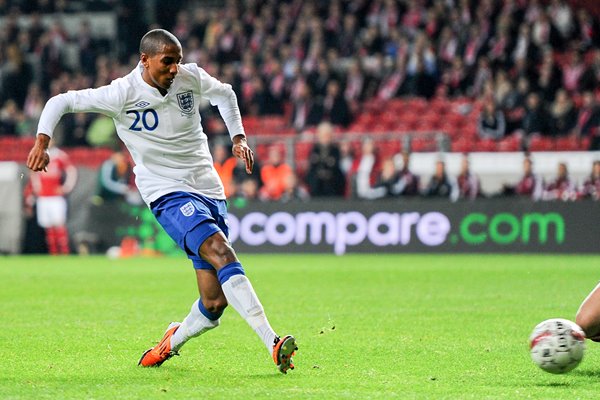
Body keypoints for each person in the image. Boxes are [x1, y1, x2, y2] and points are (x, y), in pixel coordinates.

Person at [26, 29, 297, 374]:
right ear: (145, 60)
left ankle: (170, 342)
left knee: (214, 303)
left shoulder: (190, 78)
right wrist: (42, 141)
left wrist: (238, 138)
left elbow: (226, 94)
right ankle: (272, 343)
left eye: (178, 61)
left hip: (208, 187)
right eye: (167, 62)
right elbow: (60, 102)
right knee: (221, 250)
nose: (174, 69)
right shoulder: (121, 93)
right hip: (165, 191)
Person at [24, 140, 78, 255]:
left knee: (59, 224)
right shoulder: (38, 154)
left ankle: (64, 252)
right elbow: (33, 173)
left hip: (56, 196)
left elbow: (71, 171)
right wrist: (36, 188)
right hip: (43, 197)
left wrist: (66, 187)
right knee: (48, 226)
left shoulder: (60, 155)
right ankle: (53, 253)